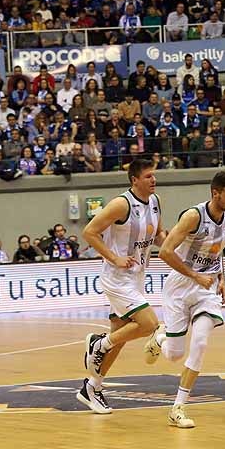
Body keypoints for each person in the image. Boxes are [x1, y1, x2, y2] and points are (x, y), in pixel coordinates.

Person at [143, 171, 225, 430]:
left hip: (206, 288)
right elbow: (164, 252)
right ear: (215, 193)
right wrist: (195, 276)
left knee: (200, 342)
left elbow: (216, 250)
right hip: (180, 286)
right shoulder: (193, 216)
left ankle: (177, 408)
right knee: (175, 355)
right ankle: (161, 337)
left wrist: (221, 277)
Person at [78, 158, 168, 415]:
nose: (154, 180)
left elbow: (159, 234)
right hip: (117, 278)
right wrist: (114, 257)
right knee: (149, 324)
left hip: (137, 276)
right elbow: (89, 232)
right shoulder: (121, 204)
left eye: (154, 175)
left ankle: (92, 387)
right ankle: (98, 344)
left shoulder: (156, 201)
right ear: (135, 180)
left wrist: (177, 243)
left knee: (120, 335)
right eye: (149, 176)